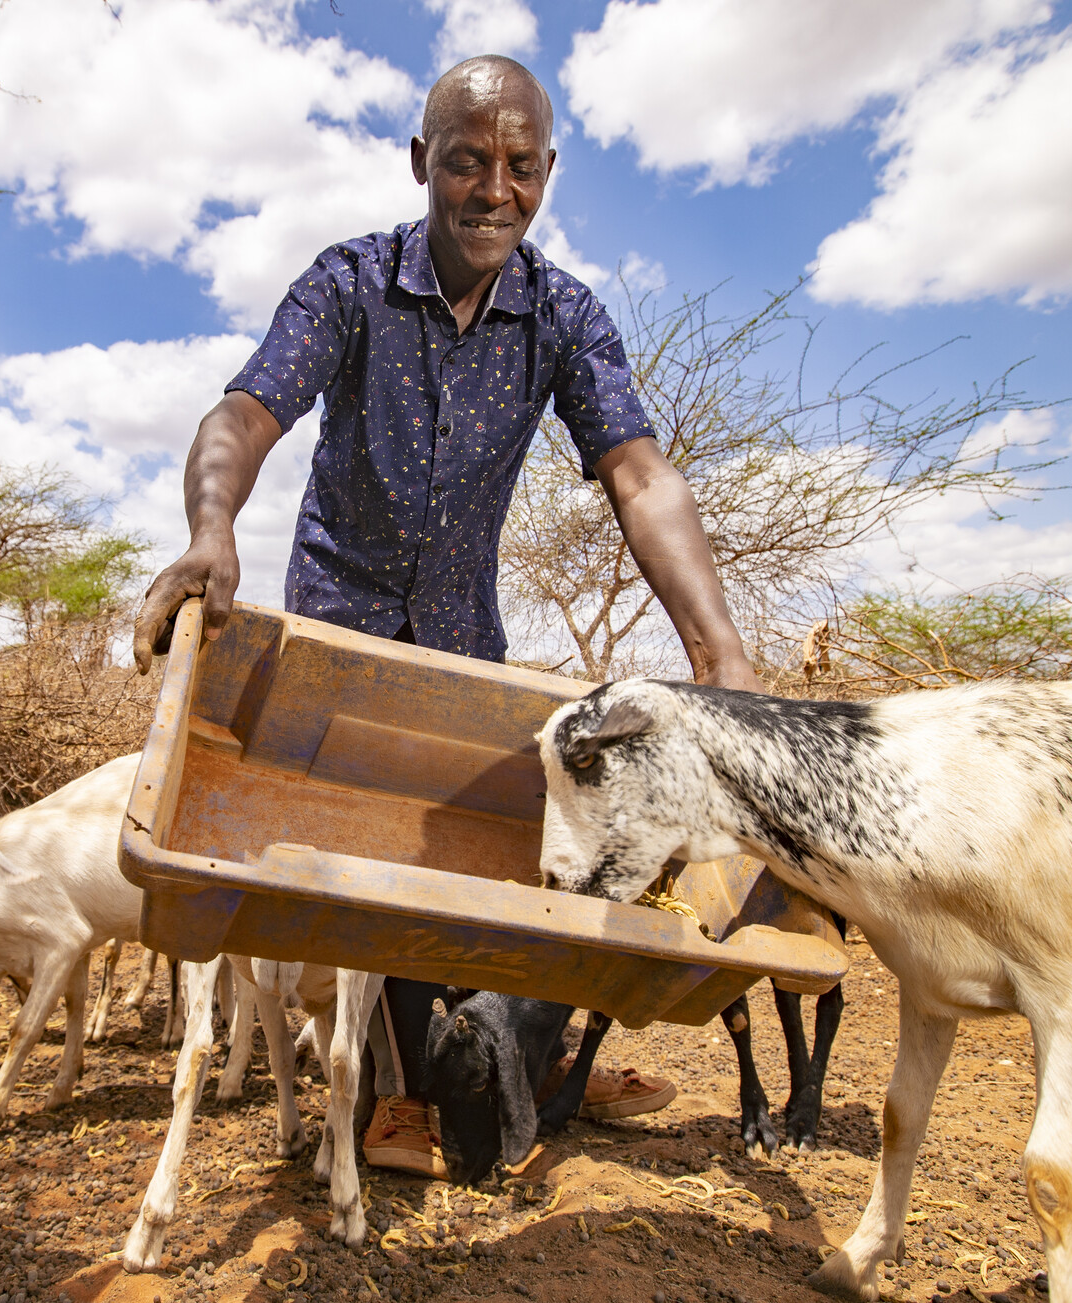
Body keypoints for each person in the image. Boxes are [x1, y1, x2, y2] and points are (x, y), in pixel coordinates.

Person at [131, 55, 765, 1178]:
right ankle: (409, 1089)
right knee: (374, 880)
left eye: (520, 167)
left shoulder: (563, 315)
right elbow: (243, 409)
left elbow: (638, 473)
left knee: (521, 851)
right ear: (423, 162)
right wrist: (210, 526)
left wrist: (719, 652)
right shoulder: (348, 284)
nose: (493, 190)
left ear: (546, 174)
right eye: (468, 161)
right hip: (340, 643)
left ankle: (527, 1056)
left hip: (463, 640)